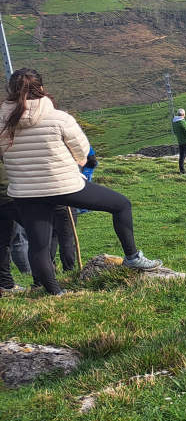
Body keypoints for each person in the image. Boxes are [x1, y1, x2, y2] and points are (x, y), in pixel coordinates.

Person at [0, 69, 161, 295]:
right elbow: (83, 152)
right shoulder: (59, 118)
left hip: (25, 192)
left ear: (11, 91)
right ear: (42, 89)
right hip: (64, 186)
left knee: (39, 245)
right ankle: (132, 257)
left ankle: (55, 293)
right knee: (121, 204)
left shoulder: (2, 122)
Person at [0, 160, 26, 294]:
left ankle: (6, 284)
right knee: (38, 232)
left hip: (7, 195)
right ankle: (42, 281)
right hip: (9, 195)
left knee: (4, 241)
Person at [171, 108, 186, 176]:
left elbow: (175, 132)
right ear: (183, 114)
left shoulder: (174, 122)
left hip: (180, 141)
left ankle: (182, 171)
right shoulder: (182, 122)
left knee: (181, 156)